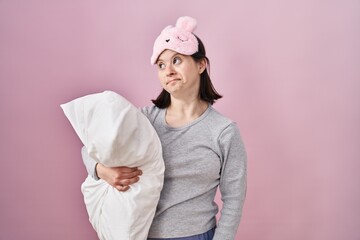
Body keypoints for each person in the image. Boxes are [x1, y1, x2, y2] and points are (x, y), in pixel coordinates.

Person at [82, 16, 247, 240]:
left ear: (201, 65)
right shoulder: (143, 120)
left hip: (197, 236)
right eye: (161, 65)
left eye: (176, 60)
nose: (168, 70)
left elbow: (234, 199)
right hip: (141, 234)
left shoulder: (223, 131)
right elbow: (89, 151)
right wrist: (103, 171)